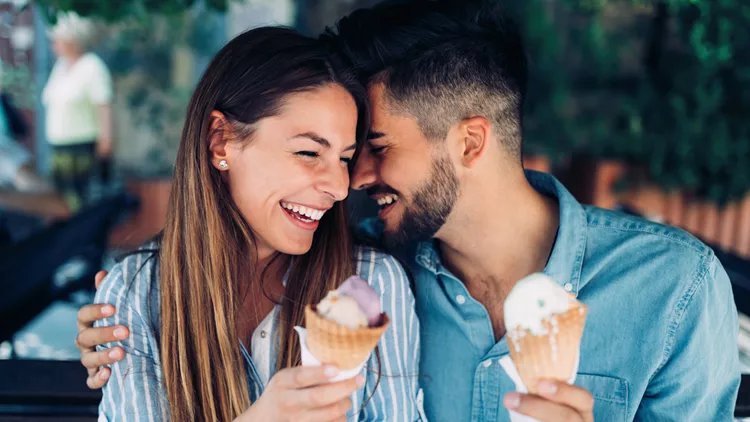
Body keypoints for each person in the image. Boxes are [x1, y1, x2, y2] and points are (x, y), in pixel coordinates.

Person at [76, 1, 741, 421]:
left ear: (470, 141)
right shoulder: (369, 279)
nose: (349, 183)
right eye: (332, 153)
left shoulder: (676, 289)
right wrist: (125, 305)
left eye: (373, 148)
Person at [78, 26, 422, 421]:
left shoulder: (373, 283)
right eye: (309, 152)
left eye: (344, 158)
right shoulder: (137, 293)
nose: (339, 187)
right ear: (220, 140)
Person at [42, 11, 113, 212]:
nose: (54, 44)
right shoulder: (61, 67)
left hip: (82, 150)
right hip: (59, 149)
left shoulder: (92, 66)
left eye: (58, 39)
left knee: (84, 205)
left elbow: (103, 105)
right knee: (63, 203)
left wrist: (106, 142)